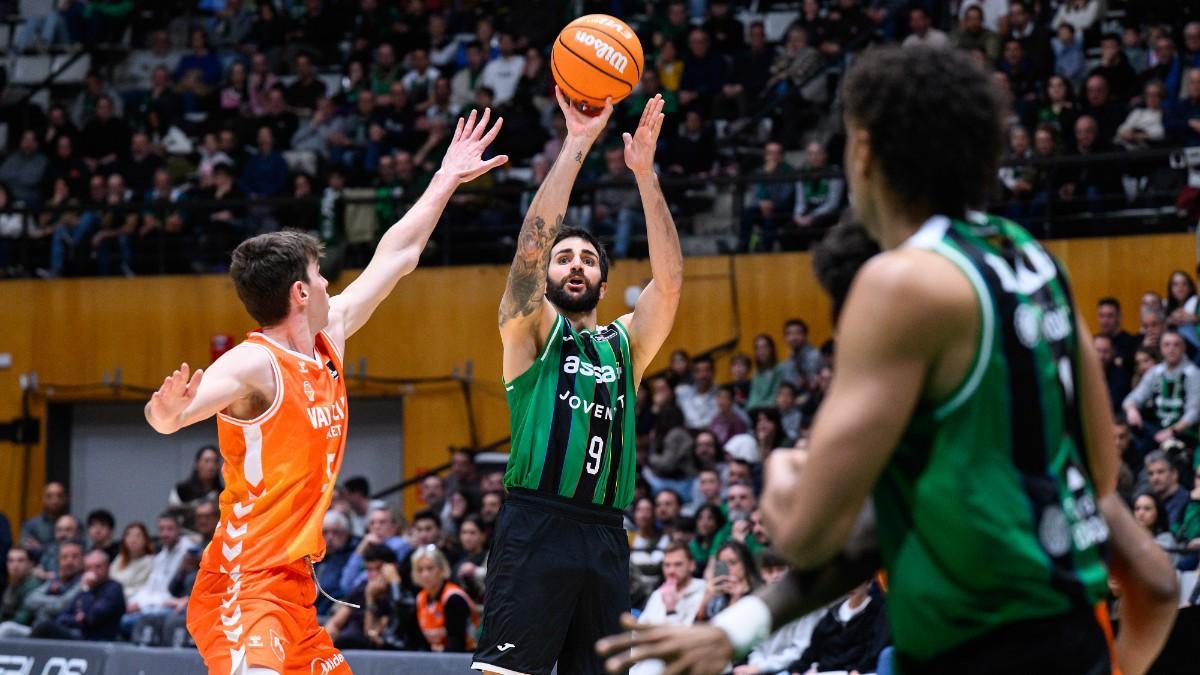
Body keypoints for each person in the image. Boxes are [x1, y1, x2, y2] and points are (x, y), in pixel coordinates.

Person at [598, 46, 1178, 675]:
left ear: (865, 150)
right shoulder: (1029, 257)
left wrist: (788, 474)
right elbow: (1099, 474)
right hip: (1072, 639)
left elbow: (808, 535)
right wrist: (741, 627)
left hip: (975, 648)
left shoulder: (900, 285)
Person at [144, 107, 506, 675]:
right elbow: (173, 418)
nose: (328, 281)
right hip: (244, 588)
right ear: (297, 292)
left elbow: (398, 256)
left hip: (294, 591)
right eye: (318, 273)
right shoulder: (252, 365)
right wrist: (165, 410)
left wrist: (446, 178)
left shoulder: (326, 334)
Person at [473, 91, 682, 675]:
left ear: (603, 283)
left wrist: (645, 174)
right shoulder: (531, 332)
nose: (574, 265)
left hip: (606, 535)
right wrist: (578, 143)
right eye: (565, 258)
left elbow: (669, 286)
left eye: (588, 260)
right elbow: (530, 249)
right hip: (536, 524)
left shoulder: (624, 346)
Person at [630, 543, 706, 675]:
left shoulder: (704, 593)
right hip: (646, 662)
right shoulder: (658, 595)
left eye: (678, 564)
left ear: (692, 565)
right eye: (667, 565)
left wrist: (671, 609)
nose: (671, 571)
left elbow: (686, 644)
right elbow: (638, 633)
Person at [30, 549, 125, 641]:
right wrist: (77, 619)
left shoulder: (113, 588)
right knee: (44, 625)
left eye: (98, 566)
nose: (93, 571)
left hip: (100, 641)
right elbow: (62, 618)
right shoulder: (85, 589)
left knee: (45, 628)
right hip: (79, 636)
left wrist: (86, 591)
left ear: (108, 567)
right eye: (89, 568)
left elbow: (93, 618)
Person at [413, 544, 479, 653]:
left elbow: (457, 643)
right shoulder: (420, 598)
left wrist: (441, 651)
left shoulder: (454, 598)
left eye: (430, 568)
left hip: (468, 656)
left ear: (442, 569)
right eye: (420, 570)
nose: (425, 574)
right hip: (439, 658)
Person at [110, 522, 154, 602]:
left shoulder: (150, 561)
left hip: (134, 602)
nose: (133, 539)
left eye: (138, 536)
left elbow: (140, 589)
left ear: (145, 540)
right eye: (129, 535)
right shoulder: (120, 558)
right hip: (114, 600)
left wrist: (115, 593)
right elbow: (109, 579)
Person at [1, 548, 41, 628]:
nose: (15, 565)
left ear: (31, 564)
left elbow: (22, 620)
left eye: (20, 560)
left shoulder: (33, 585)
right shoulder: (12, 585)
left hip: (30, 632)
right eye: (10, 560)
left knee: (7, 628)